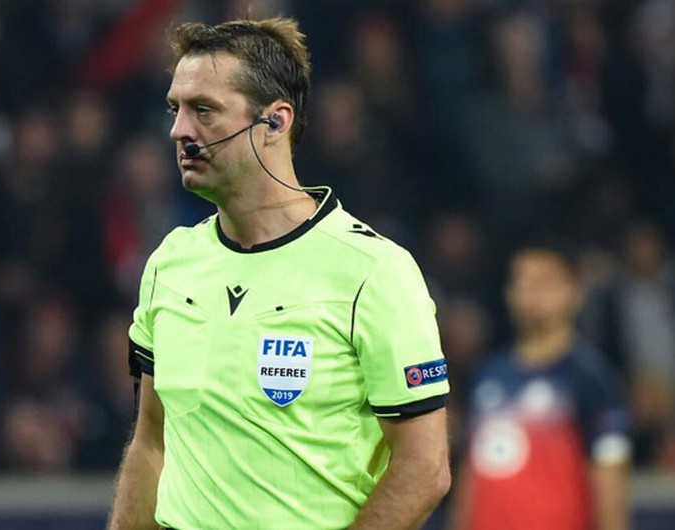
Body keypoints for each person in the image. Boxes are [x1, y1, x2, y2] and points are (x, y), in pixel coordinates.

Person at [108, 17, 450, 530]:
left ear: (274, 121)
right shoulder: (169, 264)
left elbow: (424, 468)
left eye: (204, 110)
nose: (179, 130)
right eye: (176, 109)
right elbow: (150, 442)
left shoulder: (374, 272)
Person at [447, 242, 631, 530]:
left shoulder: (592, 378)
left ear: (574, 292)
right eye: (522, 280)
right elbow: (470, 473)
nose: (531, 291)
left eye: (544, 281)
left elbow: (610, 483)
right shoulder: (487, 375)